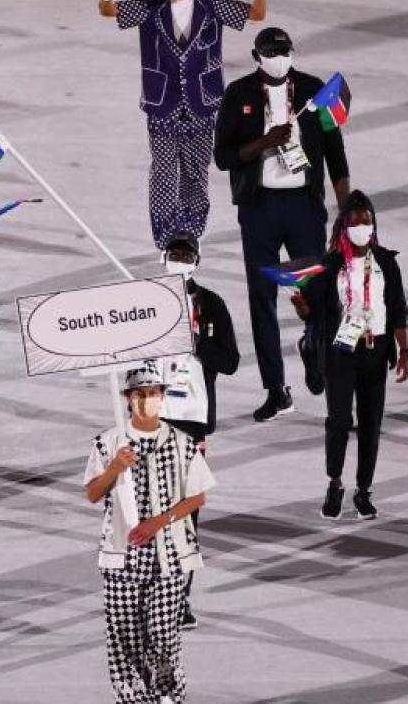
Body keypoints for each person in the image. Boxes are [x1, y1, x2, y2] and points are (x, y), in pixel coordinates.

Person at [98, 0, 282, 251]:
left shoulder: (210, 4)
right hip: (163, 103)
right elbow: (109, 12)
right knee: (163, 172)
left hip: (202, 102)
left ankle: (191, 234)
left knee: (197, 170)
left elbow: (256, 15)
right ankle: (167, 238)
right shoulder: (151, 6)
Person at [214, 27, 351, 422]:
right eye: (271, 52)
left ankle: (315, 350)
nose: (279, 57)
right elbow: (223, 157)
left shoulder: (312, 90)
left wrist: (343, 210)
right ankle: (276, 389)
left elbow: (336, 154)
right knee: (262, 299)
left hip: (303, 207)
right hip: (258, 209)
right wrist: (264, 141)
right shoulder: (238, 94)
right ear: (256, 56)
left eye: (284, 50)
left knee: (321, 296)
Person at [84, 361, 215, 704]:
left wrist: (158, 522)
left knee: (163, 635)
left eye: (153, 394)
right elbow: (93, 494)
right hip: (120, 559)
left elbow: (198, 496)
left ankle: (168, 696)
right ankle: (133, 699)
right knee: (125, 640)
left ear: (163, 397)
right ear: (127, 398)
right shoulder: (107, 442)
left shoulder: (183, 443)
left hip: (167, 557)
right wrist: (115, 466)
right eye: (139, 395)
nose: (146, 400)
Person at [292, 191, 408, 521]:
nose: (362, 226)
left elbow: (398, 308)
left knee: (371, 424)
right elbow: (312, 313)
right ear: (344, 226)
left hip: (377, 351)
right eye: (356, 221)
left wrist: (405, 351)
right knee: (339, 422)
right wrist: (302, 308)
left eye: (367, 221)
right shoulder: (330, 266)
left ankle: (363, 490)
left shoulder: (386, 262)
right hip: (341, 353)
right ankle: (335, 483)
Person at [158, 231, 239, 629]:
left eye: (186, 253)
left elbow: (231, 361)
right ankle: (152, 595)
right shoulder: (148, 302)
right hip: (151, 421)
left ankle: (180, 599)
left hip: (191, 420)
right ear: (163, 258)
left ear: (197, 261)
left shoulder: (212, 305)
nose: (179, 258)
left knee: (186, 515)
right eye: (174, 253)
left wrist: (194, 343)